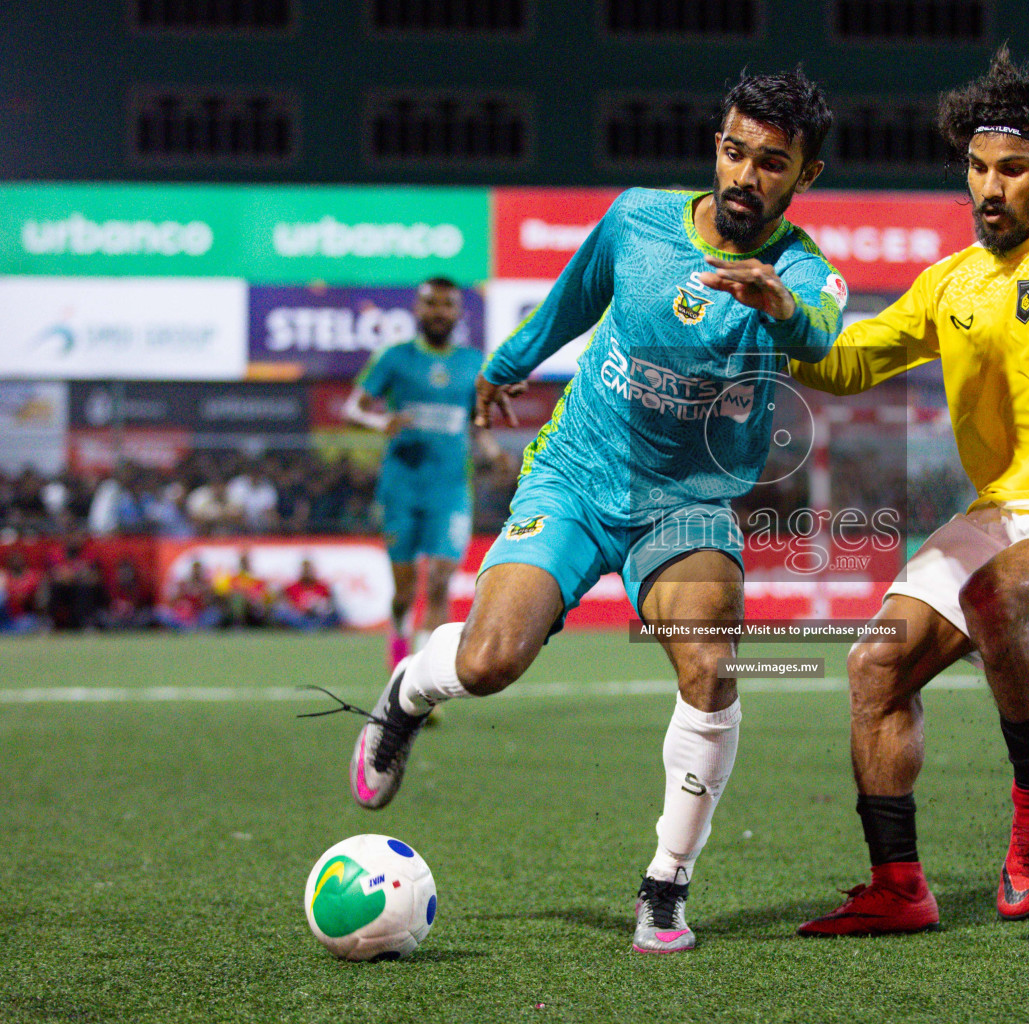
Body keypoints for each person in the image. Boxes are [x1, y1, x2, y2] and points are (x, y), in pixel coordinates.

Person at [314, 67, 843, 954]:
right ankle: (407, 692)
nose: (747, 175)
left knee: (711, 668)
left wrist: (778, 303)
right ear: (718, 145)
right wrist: (506, 365)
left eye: (773, 162)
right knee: (487, 665)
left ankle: (666, 886)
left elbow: (821, 332)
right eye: (736, 151)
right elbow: (573, 297)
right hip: (578, 475)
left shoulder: (804, 271)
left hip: (691, 502)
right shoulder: (639, 217)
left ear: (804, 176)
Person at [787, 48, 1029, 935]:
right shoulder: (950, 282)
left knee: (997, 595)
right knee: (877, 665)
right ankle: (898, 885)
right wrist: (779, 323)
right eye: (977, 168)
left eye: (1013, 169)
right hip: (1004, 506)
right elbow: (850, 360)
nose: (989, 187)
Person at [344, 277, 500, 668]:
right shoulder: (393, 358)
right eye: (431, 303)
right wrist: (381, 423)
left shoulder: (472, 362)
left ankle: (424, 674)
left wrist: (492, 451)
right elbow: (352, 409)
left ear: (459, 311)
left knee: (440, 579)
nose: (439, 311)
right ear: (417, 309)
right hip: (402, 486)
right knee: (404, 590)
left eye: (447, 304)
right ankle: (398, 648)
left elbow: (477, 423)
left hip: (449, 489)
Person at [272, 558, 343, 631]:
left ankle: (313, 628)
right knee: (281, 613)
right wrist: (298, 609)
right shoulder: (291, 587)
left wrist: (318, 607)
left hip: (317, 617)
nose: (307, 573)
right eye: (305, 570)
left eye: (309, 570)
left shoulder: (323, 587)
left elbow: (330, 604)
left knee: (337, 612)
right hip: (298, 617)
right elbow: (284, 603)